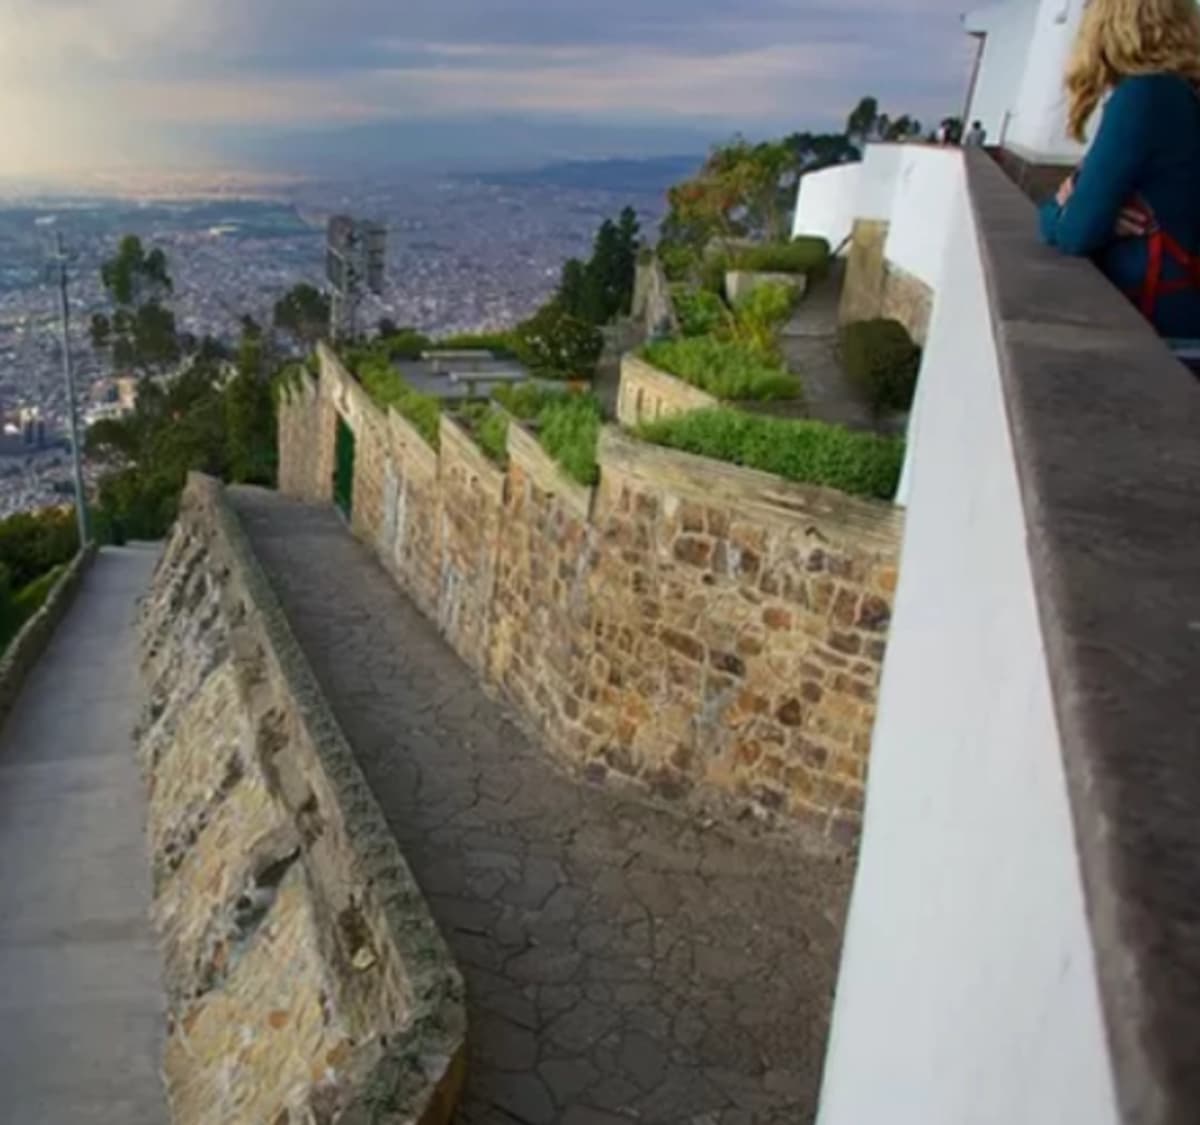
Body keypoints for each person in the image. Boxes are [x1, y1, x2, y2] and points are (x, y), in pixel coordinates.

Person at [1039, 0, 1200, 339]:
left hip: (1163, 326)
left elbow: (1074, 233)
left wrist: (1056, 212)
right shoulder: (1186, 92)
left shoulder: (1144, 95)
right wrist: (1100, 216)